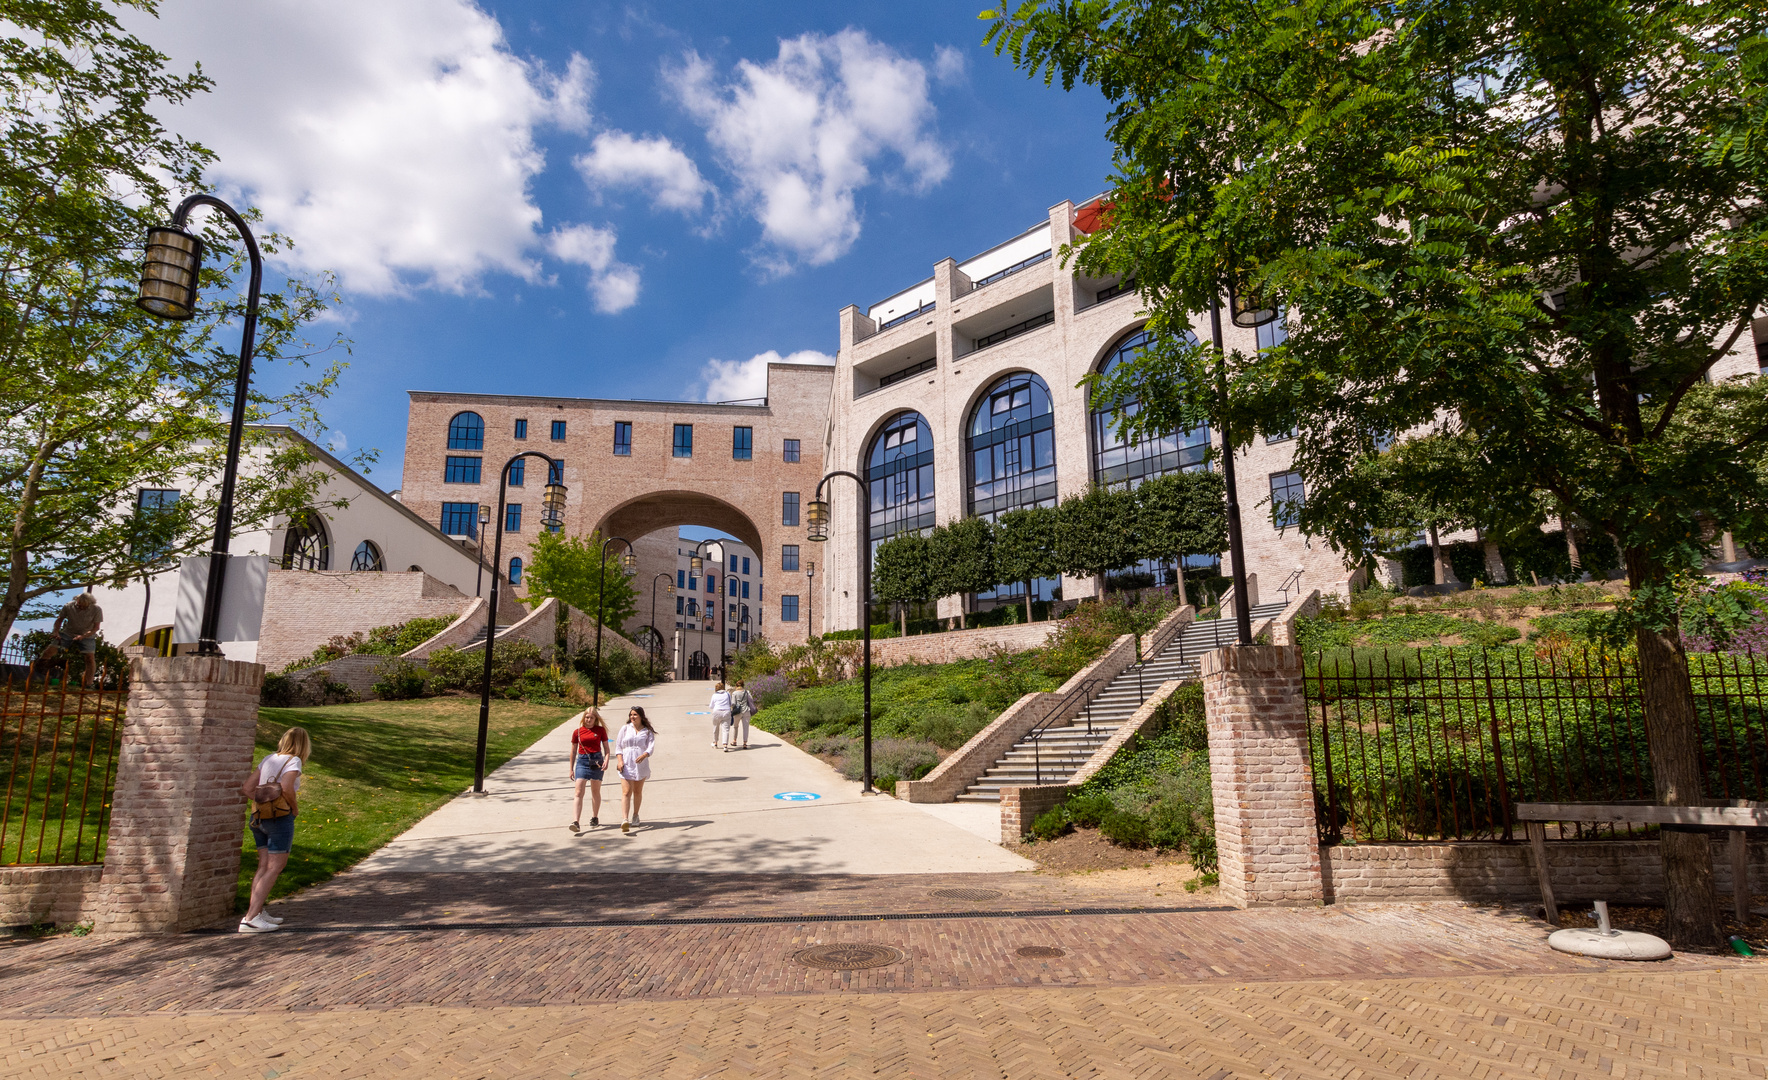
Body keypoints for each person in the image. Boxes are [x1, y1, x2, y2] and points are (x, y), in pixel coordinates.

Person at [237, 726, 312, 934]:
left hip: (258, 817)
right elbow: (287, 787)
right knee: (274, 867)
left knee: (263, 866)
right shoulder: (294, 761)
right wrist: (293, 808)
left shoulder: (268, 758)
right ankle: (250, 918)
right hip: (279, 819)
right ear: (303, 744)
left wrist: (263, 802)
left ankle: (256, 911)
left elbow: (247, 788)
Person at [39, 593, 103, 688]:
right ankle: (39, 671)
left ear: (90, 604)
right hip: (68, 633)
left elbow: (96, 627)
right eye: (79, 605)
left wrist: (83, 636)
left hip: (87, 635)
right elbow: (59, 620)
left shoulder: (96, 609)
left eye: (83, 607)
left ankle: (88, 683)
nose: (80, 607)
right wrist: (56, 632)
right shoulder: (68, 606)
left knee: (90, 658)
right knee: (49, 651)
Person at [613, 706, 656, 833]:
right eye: (631, 715)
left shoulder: (647, 731)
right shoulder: (625, 729)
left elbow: (650, 747)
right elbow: (619, 746)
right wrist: (620, 761)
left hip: (641, 764)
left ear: (641, 716)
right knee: (626, 791)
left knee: (637, 791)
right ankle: (625, 819)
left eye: (635, 715)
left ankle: (635, 815)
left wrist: (644, 755)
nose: (632, 717)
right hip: (626, 763)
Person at [568, 708, 610, 831]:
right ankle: (576, 821)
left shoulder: (600, 730)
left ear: (595, 719)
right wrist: (571, 768)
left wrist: (606, 760)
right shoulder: (577, 732)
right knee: (578, 792)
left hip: (597, 761)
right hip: (582, 761)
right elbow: (573, 750)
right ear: (583, 718)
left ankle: (595, 817)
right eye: (587, 717)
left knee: (595, 791)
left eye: (591, 717)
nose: (588, 720)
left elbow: (606, 748)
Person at [728, 679, 754, 750]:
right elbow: (751, 700)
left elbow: (733, 703)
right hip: (746, 711)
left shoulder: (734, 693)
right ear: (743, 685)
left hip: (737, 712)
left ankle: (734, 740)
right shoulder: (747, 692)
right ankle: (745, 743)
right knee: (746, 728)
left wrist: (732, 708)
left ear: (736, 686)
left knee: (736, 726)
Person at [709, 681, 733, 749]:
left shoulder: (714, 695)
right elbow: (730, 704)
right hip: (726, 712)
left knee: (716, 727)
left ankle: (715, 742)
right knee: (725, 729)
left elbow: (711, 706)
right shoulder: (727, 694)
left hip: (717, 712)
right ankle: (725, 745)